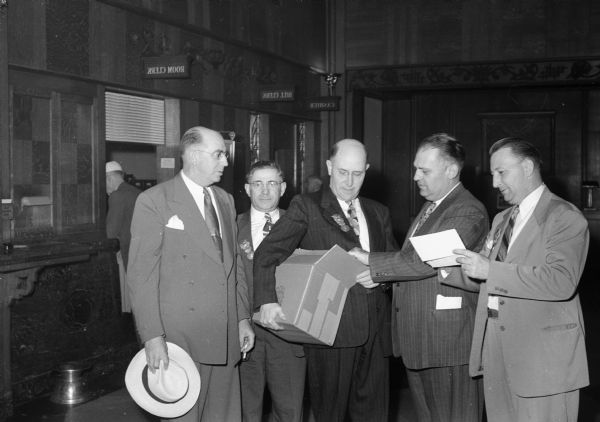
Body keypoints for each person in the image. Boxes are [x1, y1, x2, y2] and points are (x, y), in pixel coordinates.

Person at [254, 139, 398, 422]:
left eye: (357, 174)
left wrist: (381, 278)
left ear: (367, 171)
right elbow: (266, 254)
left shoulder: (378, 212)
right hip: (330, 332)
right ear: (330, 167)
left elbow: (394, 263)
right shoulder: (307, 206)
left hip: (377, 334)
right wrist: (267, 300)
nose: (349, 181)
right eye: (343, 172)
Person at [349, 133, 488, 422]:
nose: (415, 177)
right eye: (416, 168)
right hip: (421, 338)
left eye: (424, 170)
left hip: (448, 343)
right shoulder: (433, 206)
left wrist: (371, 260)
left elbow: (424, 261)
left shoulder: (466, 209)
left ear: (451, 171)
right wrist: (382, 276)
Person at [452, 137, 589, 422]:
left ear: (527, 167)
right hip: (498, 350)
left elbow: (561, 280)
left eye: (502, 172)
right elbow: (485, 277)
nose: (495, 183)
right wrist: (441, 265)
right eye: (493, 174)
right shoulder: (502, 219)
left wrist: (490, 270)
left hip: (542, 358)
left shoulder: (564, 216)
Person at [127, 126, 255, 422]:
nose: (225, 161)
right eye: (219, 154)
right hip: (180, 339)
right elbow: (141, 277)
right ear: (195, 157)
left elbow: (233, 266)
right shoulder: (154, 201)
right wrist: (152, 337)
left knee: (223, 415)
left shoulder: (224, 199)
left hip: (224, 333)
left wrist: (242, 317)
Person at [237, 160, 306, 422]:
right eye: (258, 184)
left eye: (272, 183)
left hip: (288, 334)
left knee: (289, 412)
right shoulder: (232, 227)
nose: (265, 191)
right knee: (245, 411)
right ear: (247, 188)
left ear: (283, 187)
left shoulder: (300, 225)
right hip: (245, 333)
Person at [106, 160, 141, 313]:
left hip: (128, 254)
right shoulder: (137, 192)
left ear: (109, 178)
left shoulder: (117, 196)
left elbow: (110, 233)